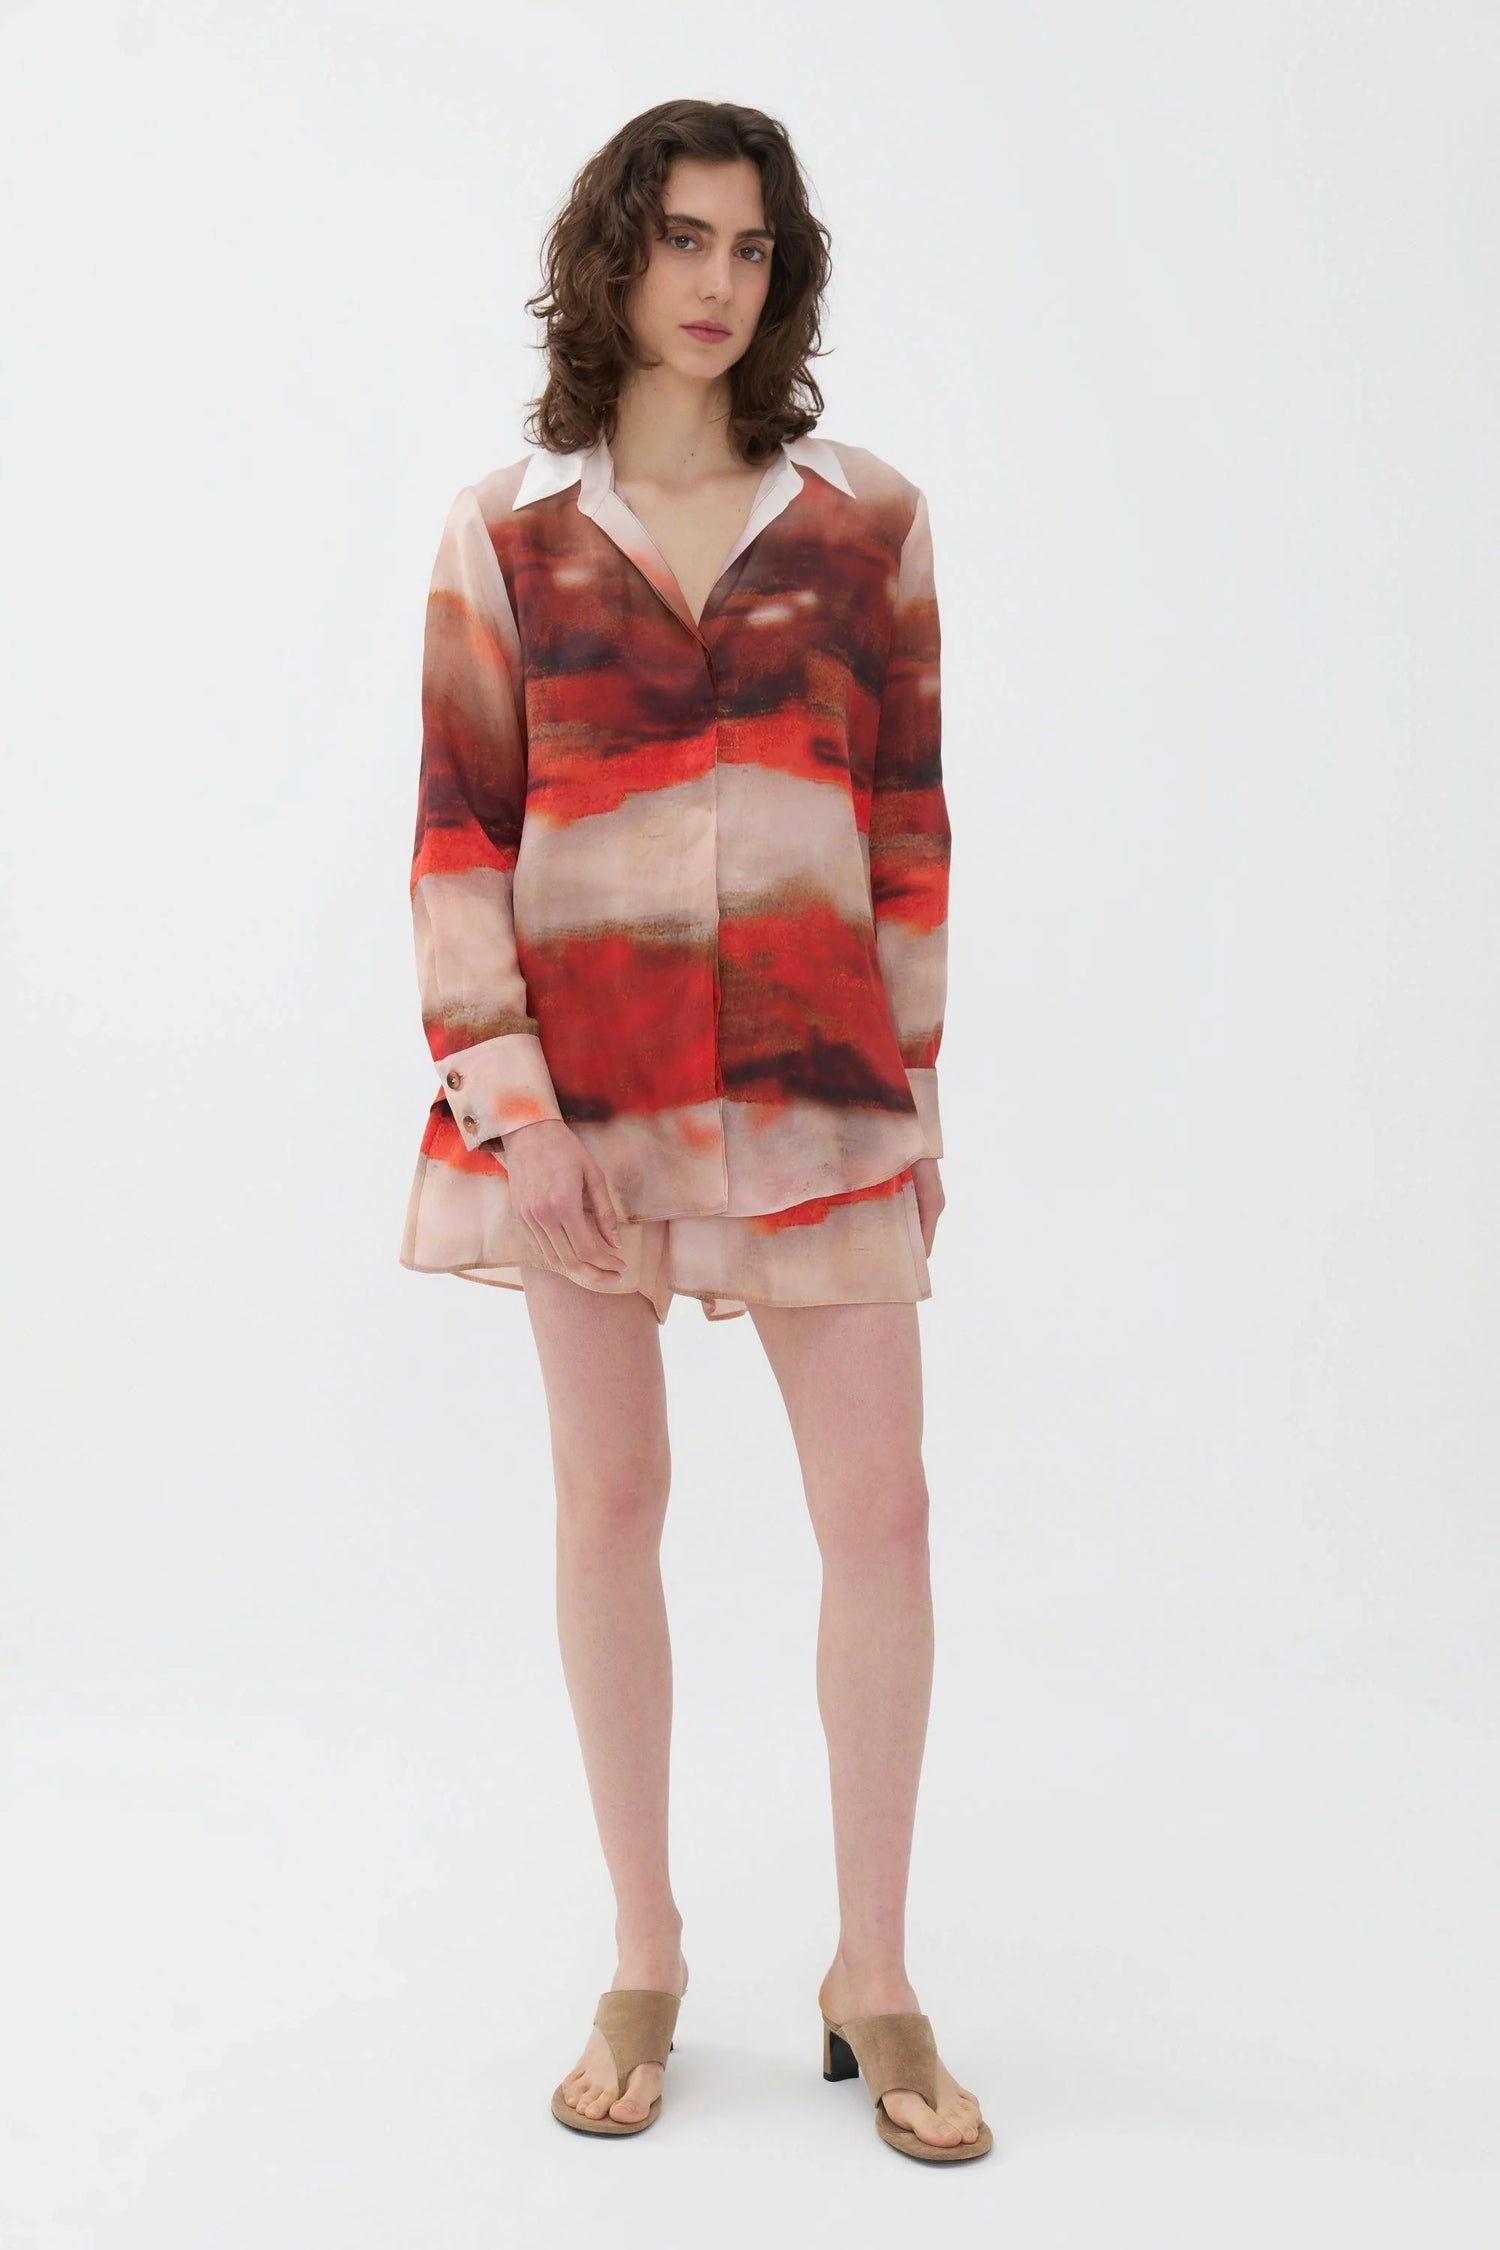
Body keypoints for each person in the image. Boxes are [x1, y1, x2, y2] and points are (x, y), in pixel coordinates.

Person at [399, 97, 990, 2163]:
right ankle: (644, 1949)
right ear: (614, 258)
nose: (717, 281)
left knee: (883, 1513)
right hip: (585, 1103)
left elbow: (909, 837)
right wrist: (515, 1112)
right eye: (682, 239)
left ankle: (873, 1971)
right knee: (614, 1500)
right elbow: (457, 836)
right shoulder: (506, 532)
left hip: (825, 1093)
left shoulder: (870, 525)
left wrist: (919, 1097)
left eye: (752, 246)